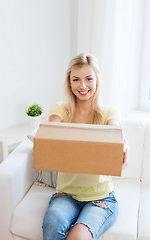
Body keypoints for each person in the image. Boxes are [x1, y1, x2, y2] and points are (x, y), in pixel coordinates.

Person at [42, 53, 128, 240]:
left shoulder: (109, 113)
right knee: (52, 224)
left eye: (89, 79)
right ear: (69, 82)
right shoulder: (60, 110)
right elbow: (51, 133)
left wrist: (123, 142)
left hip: (101, 198)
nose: (82, 86)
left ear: (97, 80)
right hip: (66, 195)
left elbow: (115, 132)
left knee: (78, 237)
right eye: (76, 80)